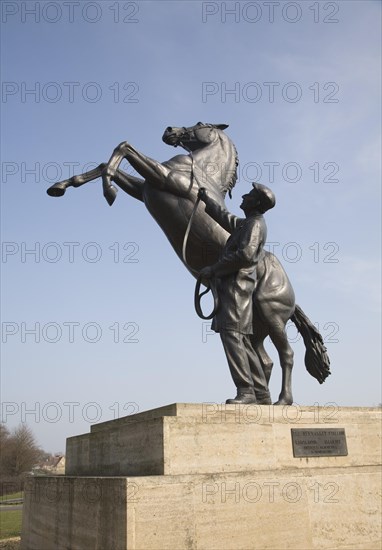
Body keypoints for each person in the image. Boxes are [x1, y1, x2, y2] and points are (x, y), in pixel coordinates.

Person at [198, 183, 276, 405]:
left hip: (236, 287)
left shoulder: (255, 225)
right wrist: (207, 201)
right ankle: (261, 393)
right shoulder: (248, 223)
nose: (243, 195)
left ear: (256, 203)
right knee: (242, 340)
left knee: (233, 336)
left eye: (250, 195)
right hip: (234, 287)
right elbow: (226, 218)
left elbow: (246, 255)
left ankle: (246, 392)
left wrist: (214, 269)